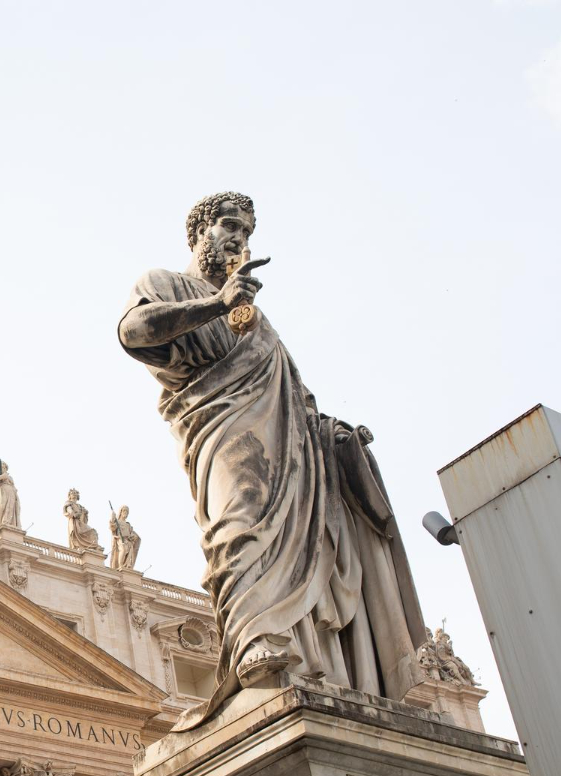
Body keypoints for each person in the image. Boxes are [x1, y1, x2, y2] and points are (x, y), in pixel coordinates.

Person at [118, 191, 424, 728]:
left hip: (290, 451)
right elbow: (133, 332)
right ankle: (254, 639)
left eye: (246, 233)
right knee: (239, 522)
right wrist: (217, 305)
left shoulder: (260, 324)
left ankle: (300, 654)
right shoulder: (164, 283)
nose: (239, 240)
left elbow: (298, 403)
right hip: (221, 431)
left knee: (297, 536)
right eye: (229, 227)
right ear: (200, 233)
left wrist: (335, 437)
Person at [109, 505, 142, 570]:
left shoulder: (128, 524)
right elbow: (112, 527)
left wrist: (132, 536)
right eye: (124, 511)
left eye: (127, 511)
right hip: (120, 539)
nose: (126, 513)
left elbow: (131, 533)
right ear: (121, 512)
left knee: (128, 554)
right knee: (123, 550)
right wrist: (112, 518)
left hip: (128, 540)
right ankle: (120, 565)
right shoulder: (117, 522)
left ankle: (125, 566)